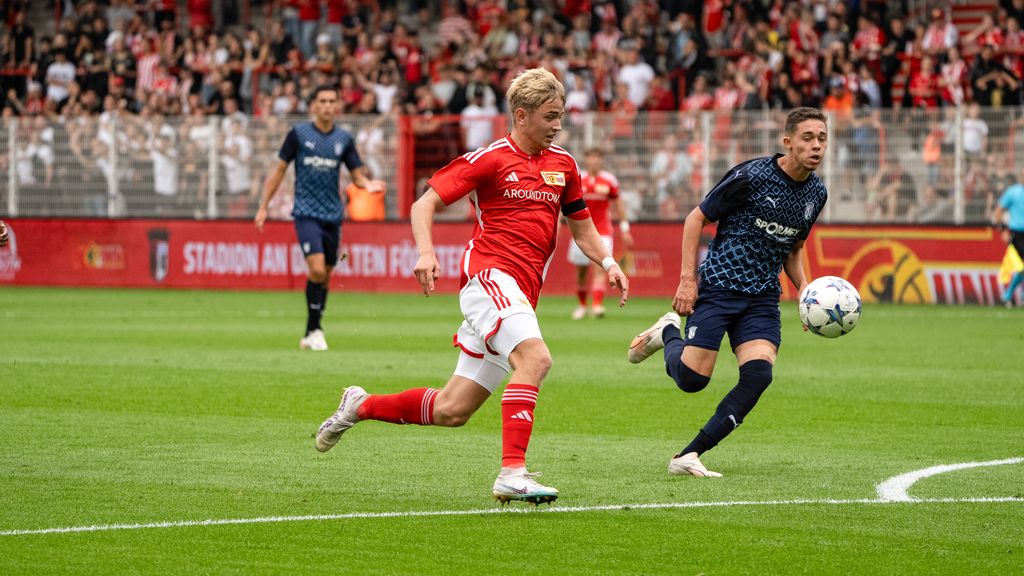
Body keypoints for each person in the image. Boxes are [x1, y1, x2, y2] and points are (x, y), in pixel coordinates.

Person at [314, 68, 629, 504]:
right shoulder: (490, 159)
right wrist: (426, 253)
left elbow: (582, 227)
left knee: (452, 410)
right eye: (550, 116)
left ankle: (360, 405)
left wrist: (608, 262)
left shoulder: (564, 165)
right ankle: (512, 473)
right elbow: (424, 203)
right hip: (489, 279)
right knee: (536, 359)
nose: (558, 125)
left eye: (560, 116)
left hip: (521, 293)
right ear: (521, 115)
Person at [627, 107, 829, 478]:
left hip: (762, 298)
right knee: (692, 381)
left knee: (759, 376)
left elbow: (794, 248)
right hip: (720, 286)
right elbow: (696, 218)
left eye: (821, 138)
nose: (816, 145)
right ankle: (667, 332)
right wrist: (687, 280)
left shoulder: (817, 193)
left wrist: (805, 291)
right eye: (807, 138)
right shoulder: (752, 176)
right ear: (788, 142)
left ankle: (689, 455)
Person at [254, 84, 384, 351]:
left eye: (331, 101)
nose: (326, 106)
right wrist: (264, 205)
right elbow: (280, 170)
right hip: (305, 212)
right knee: (315, 269)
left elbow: (356, 174)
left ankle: (311, 330)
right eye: (322, 101)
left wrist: (367, 184)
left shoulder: (344, 139)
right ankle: (316, 330)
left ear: (337, 106)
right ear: (314, 105)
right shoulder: (299, 134)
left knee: (325, 275)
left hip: (333, 215)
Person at [568, 148, 632, 319]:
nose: (594, 161)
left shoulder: (609, 180)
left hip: (602, 232)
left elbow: (618, 204)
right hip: (580, 232)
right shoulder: (578, 178)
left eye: (597, 157)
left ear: (601, 160)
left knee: (600, 267)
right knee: (581, 272)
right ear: (586, 160)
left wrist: (625, 228)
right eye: (591, 157)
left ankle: (597, 305)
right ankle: (582, 306)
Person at [994, 172, 1024, 306]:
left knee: (1021, 268)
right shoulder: (1013, 192)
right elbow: (998, 210)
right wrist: (1001, 229)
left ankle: (1008, 295)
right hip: (1017, 234)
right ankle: (1009, 295)